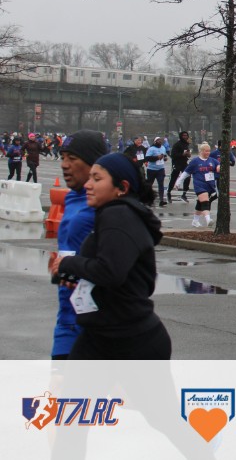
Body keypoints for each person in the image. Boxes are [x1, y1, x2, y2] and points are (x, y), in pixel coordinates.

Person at [47, 152, 171, 359]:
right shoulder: (115, 214)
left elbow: (110, 272)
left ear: (122, 187)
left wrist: (69, 264)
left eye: (97, 179)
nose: (88, 185)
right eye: (89, 178)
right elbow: (133, 278)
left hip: (131, 342)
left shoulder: (118, 215)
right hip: (102, 336)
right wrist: (76, 275)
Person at [50, 130, 102, 359]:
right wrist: (60, 268)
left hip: (94, 323)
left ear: (94, 164)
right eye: (63, 157)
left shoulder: (106, 203)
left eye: (72, 158)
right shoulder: (72, 197)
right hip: (66, 315)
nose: (64, 165)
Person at [175, 142, 220, 228]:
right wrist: (178, 181)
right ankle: (208, 219)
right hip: (199, 185)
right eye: (206, 151)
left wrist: (219, 167)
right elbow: (186, 172)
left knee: (200, 203)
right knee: (205, 201)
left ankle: (195, 221)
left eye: (209, 151)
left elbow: (219, 166)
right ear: (201, 151)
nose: (208, 153)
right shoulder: (195, 161)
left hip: (210, 185)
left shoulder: (212, 160)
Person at [167, 131, 192, 203]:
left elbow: (187, 154)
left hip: (184, 163)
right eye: (184, 135)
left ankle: (184, 194)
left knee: (188, 177)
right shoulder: (177, 144)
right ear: (181, 136)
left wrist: (188, 154)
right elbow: (173, 155)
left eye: (186, 135)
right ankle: (169, 192)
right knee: (173, 178)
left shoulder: (186, 144)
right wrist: (182, 154)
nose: (185, 137)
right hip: (177, 163)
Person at [144, 137, 169, 206]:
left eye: (160, 140)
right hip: (151, 169)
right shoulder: (151, 149)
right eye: (158, 140)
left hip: (160, 169)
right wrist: (156, 158)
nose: (160, 141)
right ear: (155, 142)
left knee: (161, 184)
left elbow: (164, 155)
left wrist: (165, 158)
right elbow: (147, 158)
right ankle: (148, 199)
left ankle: (161, 200)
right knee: (149, 184)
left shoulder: (163, 147)